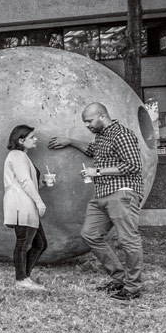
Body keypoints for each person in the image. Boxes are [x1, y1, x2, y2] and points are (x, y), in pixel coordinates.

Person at [48, 102, 146, 300]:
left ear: (102, 116)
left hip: (122, 193)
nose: (87, 125)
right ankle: (119, 278)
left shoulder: (121, 134)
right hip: (102, 194)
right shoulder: (102, 137)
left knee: (128, 239)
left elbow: (133, 165)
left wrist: (97, 171)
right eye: (85, 122)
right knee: (90, 234)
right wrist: (70, 141)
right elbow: (92, 149)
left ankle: (133, 287)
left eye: (90, 121)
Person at [3, 125, 48, 291]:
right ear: (21, 140)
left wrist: (42, 184)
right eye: (32, 137)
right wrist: (39, 202)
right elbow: (25, 182)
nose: (36, 139)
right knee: (23, 243)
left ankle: (25, 277)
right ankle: (21, 279)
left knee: (40, 243)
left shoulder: (21, 156)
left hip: (25, 203)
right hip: (20, 204)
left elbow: (26, 183)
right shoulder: (17, 155)